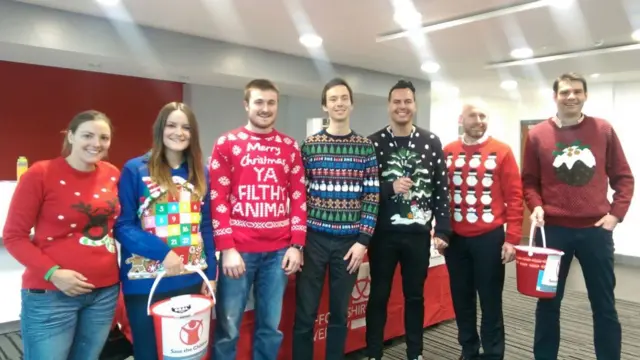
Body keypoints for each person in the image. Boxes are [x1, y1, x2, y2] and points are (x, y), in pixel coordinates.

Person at [522, 72, 634, 360]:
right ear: (555, 96)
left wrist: (615, 215)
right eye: (564, 92)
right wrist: (535, 204)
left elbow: (624, 177)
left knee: (604, 305)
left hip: (595, 232)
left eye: (577, 91)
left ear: (585, 95)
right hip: (553, 233)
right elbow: (529, 181)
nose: (571, 96)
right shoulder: (537, 135)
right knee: (547, 303)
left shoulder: (603, 130)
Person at [3, 110, 121, 360]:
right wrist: (53, 273)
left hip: (104, 293)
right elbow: (14, 236)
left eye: (104, 137)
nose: (96, 144)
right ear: (71, 136)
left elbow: (121, 225)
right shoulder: (40, 173)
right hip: (52, 294)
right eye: (87, 135)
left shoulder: (112, 174)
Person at [210, 79, 307, 359]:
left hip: (278, 253)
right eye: (259, 102)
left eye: (271, 102)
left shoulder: (289, 147)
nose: (265, 109)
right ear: (246, 105)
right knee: (228, 327)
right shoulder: (227, 144)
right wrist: (227, 249)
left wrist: (296, 245)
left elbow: (299, 198)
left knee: (270, 327)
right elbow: (218, 199)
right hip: (237, 253)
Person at [114, 102, 216, 360]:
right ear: (160, 128)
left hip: (191, 277)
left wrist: (212, 275)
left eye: (186, 127)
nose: (178, 132)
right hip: (145, 282)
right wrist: (164, 253)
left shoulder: (201, 173)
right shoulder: (135, 169)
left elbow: (205, 227)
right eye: (171, 125)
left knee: (187, 352)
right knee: (148, 352)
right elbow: (122, 225)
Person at [292, 78, 380, 360]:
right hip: (313, 241)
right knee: (305, 313)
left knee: (339, 314)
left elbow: (372, 197)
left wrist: (363, 241)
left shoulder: (365, 147)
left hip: (349, 245)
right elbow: (298, 197)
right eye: (333, 99)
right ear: (324, 105)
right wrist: (297, 242)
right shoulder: (309, 146)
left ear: (351, 104)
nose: (339, 103)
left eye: (344, 98)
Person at [366, 80, 451, 360]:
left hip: (417, 235)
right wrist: (390, 187)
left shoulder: (430, 141)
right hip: (382, 235)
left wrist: (444, 229)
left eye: (407, 101)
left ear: (415, 105)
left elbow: (441, 187)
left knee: (415, 296)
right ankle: (375, 353)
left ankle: (415, 353)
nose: (402, 107)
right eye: (397, 102)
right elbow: (363, 190)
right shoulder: (374, 143)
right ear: (389, 106)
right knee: (378, 296)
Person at [443, 101, 523, 360]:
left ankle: (493, 353)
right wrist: (440, 231)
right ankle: (468, 349)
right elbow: (440, 196)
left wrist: (512, 239)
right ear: (461, 119)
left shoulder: (502, 151)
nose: (478, 120)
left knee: (490, 301)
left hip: (489, 238)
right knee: (461, 299)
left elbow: (515, 196)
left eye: (483, 116)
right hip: (455, 240)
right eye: (472, 115)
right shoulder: (448, 151)